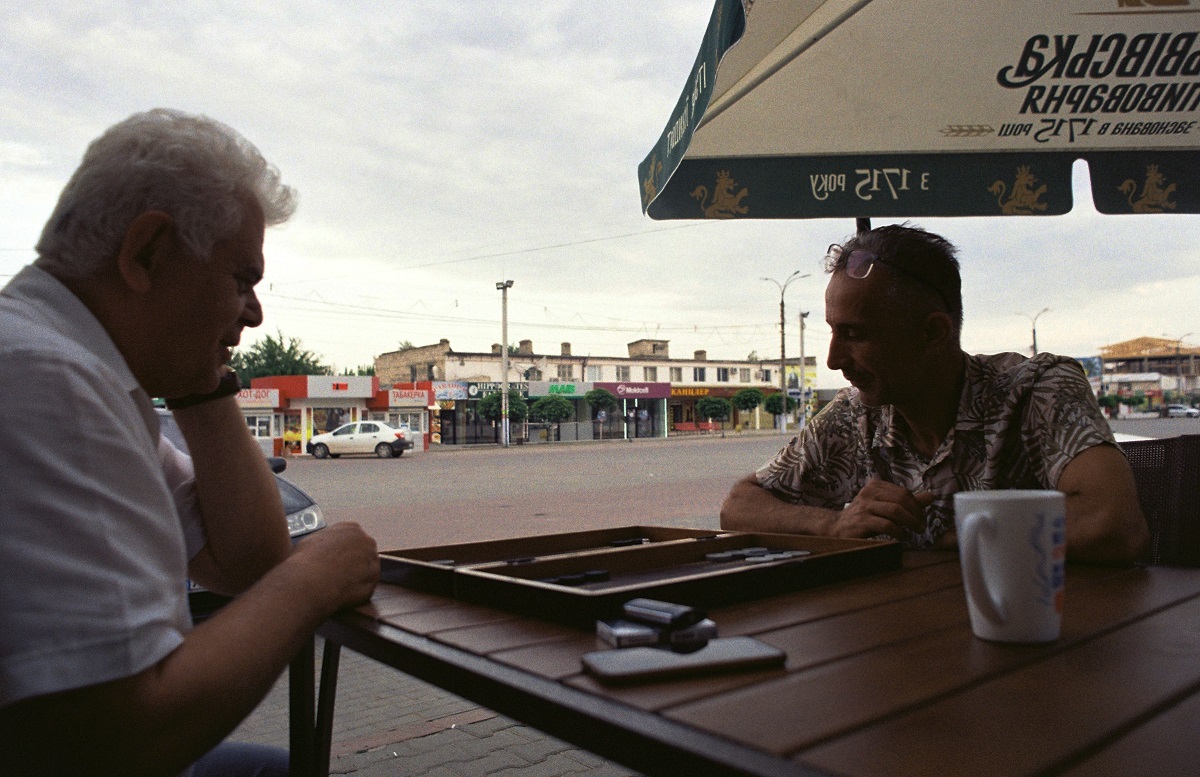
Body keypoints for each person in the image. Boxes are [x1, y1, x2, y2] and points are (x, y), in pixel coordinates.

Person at [0, 109, 380, 776]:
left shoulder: (79, 369)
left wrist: (202, 385)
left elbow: (244, 560)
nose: (255, 313)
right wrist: (314, 577)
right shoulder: (45, 379)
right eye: (241, 279)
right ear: (146, 252)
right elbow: (126, 737)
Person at [721, 224, 1148, 565]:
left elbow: (1113, 523)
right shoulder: (855, 415)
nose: (834, 360)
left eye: (855, 335)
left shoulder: (1037, 389)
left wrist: (945, 538)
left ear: (933, 333)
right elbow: (740, 506)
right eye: (834, 331)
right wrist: (834, 526)